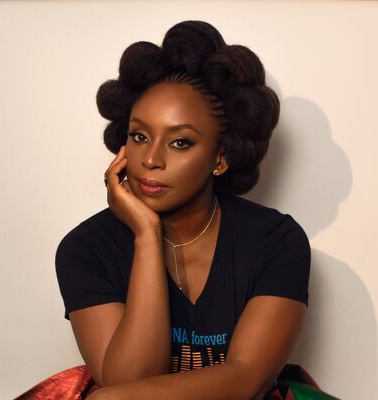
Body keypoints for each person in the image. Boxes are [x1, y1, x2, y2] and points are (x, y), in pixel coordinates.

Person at [16, 20, 313, 400]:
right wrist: (145, 235)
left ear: (220, 158)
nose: (151, 159)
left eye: (181, 143)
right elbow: (128, 382)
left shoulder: (276, 241)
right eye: (139, 136)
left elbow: (246, 380)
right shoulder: (85, 248)